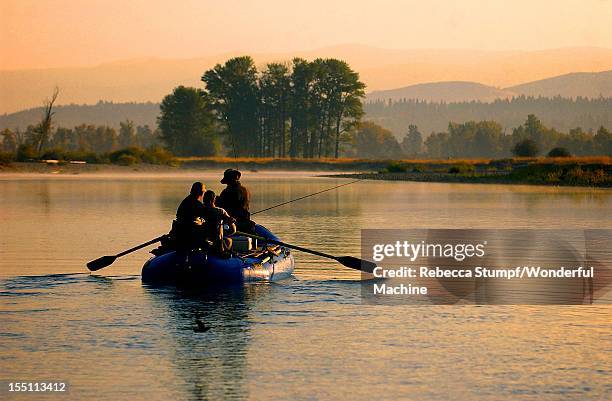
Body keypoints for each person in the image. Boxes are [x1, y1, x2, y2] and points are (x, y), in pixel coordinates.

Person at [172, 181, 208, 250]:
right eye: (203, 192)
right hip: (190, 231)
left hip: (182, 229)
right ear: (201, 192)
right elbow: (208, 214)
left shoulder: (188, 200)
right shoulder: (195, 203)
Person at [201, 190, 236, 254]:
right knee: (229, 241)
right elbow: (233, 230)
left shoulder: (199, 210)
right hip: (218, 245)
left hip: (201, 242)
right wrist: (231, 222)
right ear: (214, 200)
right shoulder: (220, 211)